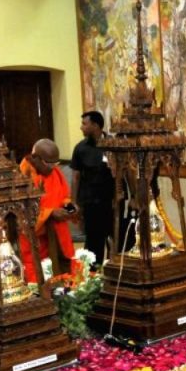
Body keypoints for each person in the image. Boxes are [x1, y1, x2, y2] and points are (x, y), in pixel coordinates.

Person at [18, 139, 76, 282]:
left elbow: (64, 196)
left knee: (63, 274)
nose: (52, 168)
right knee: (36, 278)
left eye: (55, 164)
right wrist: (50, 213)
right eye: (48, 164)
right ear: (35, 157)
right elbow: (21, 213)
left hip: (55, 236)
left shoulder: (55, 172)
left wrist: (69, 207)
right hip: (32, 241)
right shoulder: (21, 177)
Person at [70, 110, 116, 266]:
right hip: (90, 204)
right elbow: (75, 177)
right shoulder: (80, 148)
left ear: (95, 125)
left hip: (111, 202)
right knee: (93, 242)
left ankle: (114, 273)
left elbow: (125, 171)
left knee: (115, 239)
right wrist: (73, 204)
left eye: (84, 124)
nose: (81, 127)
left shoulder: (113, 145)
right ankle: (93, 277)